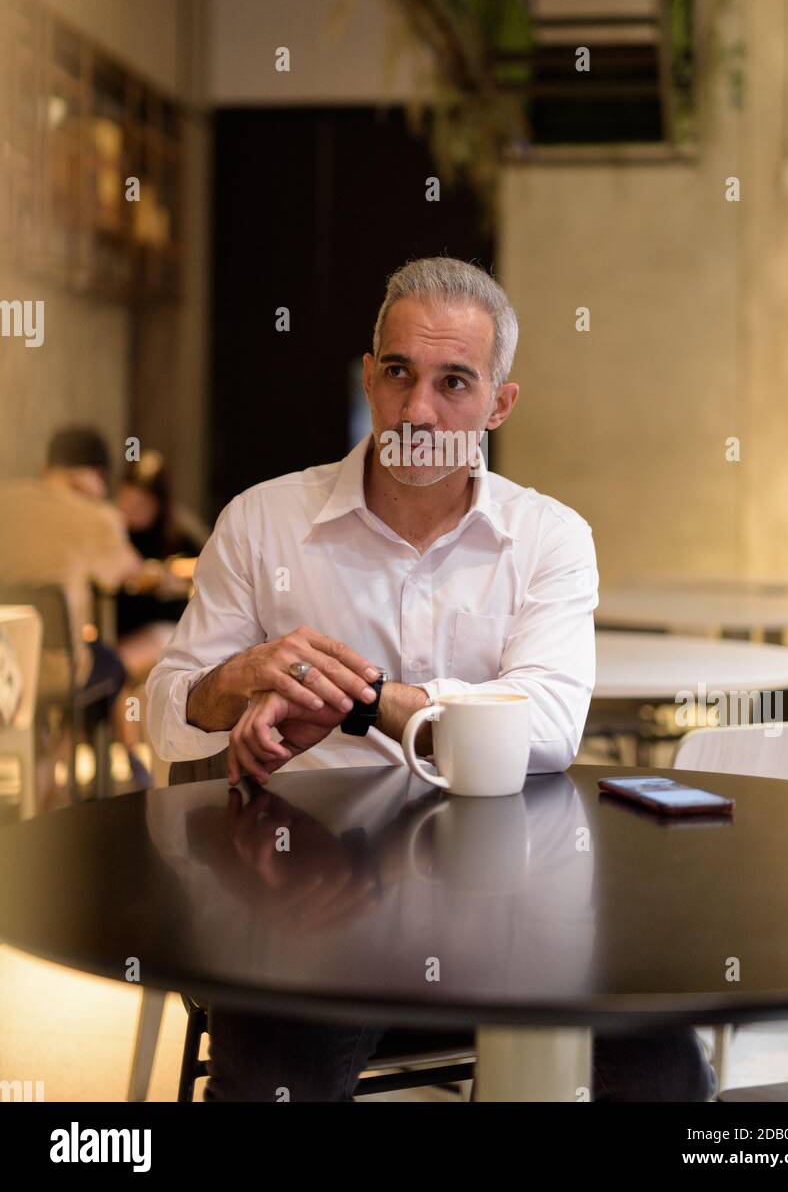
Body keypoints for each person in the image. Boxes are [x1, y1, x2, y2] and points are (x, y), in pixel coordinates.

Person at [146, 257, 715, 1102]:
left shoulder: (549, 537)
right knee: (270, 1081)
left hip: (508, 901)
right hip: (307, 894)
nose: (419, 411)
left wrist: (365, 701)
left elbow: (549, 728)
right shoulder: (262, 521)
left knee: (664, 1071)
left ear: (498, 404)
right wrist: (236, 678)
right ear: (369, 378)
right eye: (400, 375)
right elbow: (164, 714)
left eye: (454, 383)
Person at [0, 425, 148, 795]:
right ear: (90, 474)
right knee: (108, 665)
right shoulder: (96, 517)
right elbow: (130, 572)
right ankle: (112, 769)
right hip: (55, 673)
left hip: (6, 669)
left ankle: (48, 769)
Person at [114, 450, 207, 683]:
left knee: (117, 667)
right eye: (127, 500)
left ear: (159, 505)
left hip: (161, 627)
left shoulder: (178, 533)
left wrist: (169, 574)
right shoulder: (111, 530)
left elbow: (207, 567)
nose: (131, 510)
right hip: (117, 628)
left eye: (141, 504)